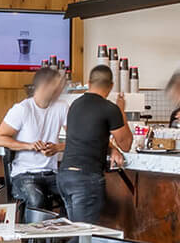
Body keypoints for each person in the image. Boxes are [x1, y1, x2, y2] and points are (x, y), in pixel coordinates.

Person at [56, 64, 134, 225]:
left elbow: (87, 137)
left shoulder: (75, 105)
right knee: (84, 239)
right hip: (85, 180)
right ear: (111, 86)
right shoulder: (110, 109)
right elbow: (126, 144)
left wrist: (111, 148)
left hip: (65, 176)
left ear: (89, 83)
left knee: (76, 233)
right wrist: (121, 110)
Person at [0, 67, 68, 212]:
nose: (61, 89)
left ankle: (60, 233)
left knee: (72, 194)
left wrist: (57, 148)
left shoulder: (62, 107)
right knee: (37, 199)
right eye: (57, 85)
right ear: (45, 86)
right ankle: (33, 235)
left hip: (51, 173)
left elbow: (75, 138)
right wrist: (29, 146)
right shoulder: (22, 109)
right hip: (24, 174)